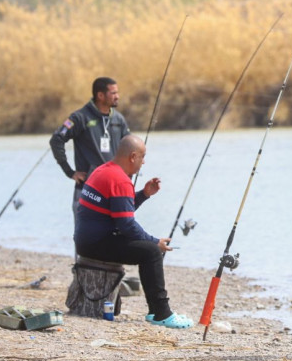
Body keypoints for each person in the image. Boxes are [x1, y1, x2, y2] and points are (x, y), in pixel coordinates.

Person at [74, 134, 192, 329]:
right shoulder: (120, 180)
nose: (143, 162)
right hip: (96, 244)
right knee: (151, 252)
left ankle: (157, 311)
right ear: (132, 156)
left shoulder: (103, 170)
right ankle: (161, 313)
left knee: (147, 247)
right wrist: (155, 242)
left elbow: (119, 211)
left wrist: (144, 194)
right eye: (142, 157)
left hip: (86, 240)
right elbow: (127, 225)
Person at [50, 77, 131, 222]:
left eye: (117, 92)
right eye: (113, 93)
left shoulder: (119, 120)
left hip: (114, 191)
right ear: (100, 95)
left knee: (115, 240)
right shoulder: (80, 117)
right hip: (88, 191)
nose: (117, 96)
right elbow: (56, 140)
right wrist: (70, 172)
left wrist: (128, 177)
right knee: (86, 240)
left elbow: (130, 149)